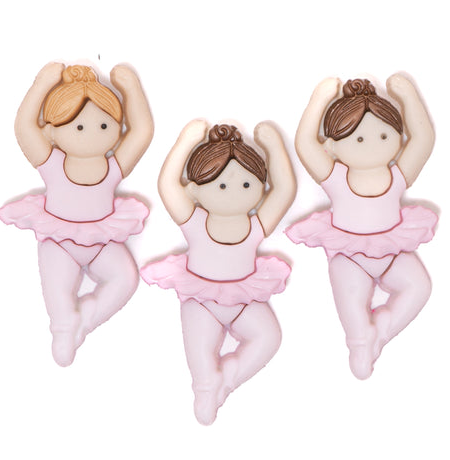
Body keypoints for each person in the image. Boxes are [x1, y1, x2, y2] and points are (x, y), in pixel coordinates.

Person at [0, 62, 154, 367]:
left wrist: (132, 89)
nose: (92, 134)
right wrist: (42, 84)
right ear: (51, 131)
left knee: (126, 278)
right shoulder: (51, 164)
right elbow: (24, 127)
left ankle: (81, 322)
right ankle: (63, 325)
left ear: (117, 129)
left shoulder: (113, 167)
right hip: (59, 242)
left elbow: (142, 132)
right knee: (57, 293)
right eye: (78, 127)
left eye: (104, 125)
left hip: (103, 241)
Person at [141, 121, 296, 424]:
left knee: (269, 337)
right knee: (200, 355)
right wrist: (186, 141)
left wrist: (275, 147)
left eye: (247, 185)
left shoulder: (256, 226)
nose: (233, 193)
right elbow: (168, 185)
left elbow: (285, 190)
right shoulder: (194, 221)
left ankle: (222, 383)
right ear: (195, 190)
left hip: (244, 299)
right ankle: (205, 387)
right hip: (201, 300)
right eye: (221, 186)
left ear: (260, 188)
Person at [286, 75, 437, 379]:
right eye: (358, 139)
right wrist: (319, 99)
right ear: (332, 147)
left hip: (394, 251)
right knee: (351, 298)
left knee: (420, 286)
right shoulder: (335, 178)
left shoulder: (398, 176)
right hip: (349, 255)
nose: (372, 145)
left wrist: (409, 97)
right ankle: (358, 339)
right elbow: (305, 144)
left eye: (383, 136)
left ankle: (377, 332)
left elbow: (423, 140)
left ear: (398, 137)